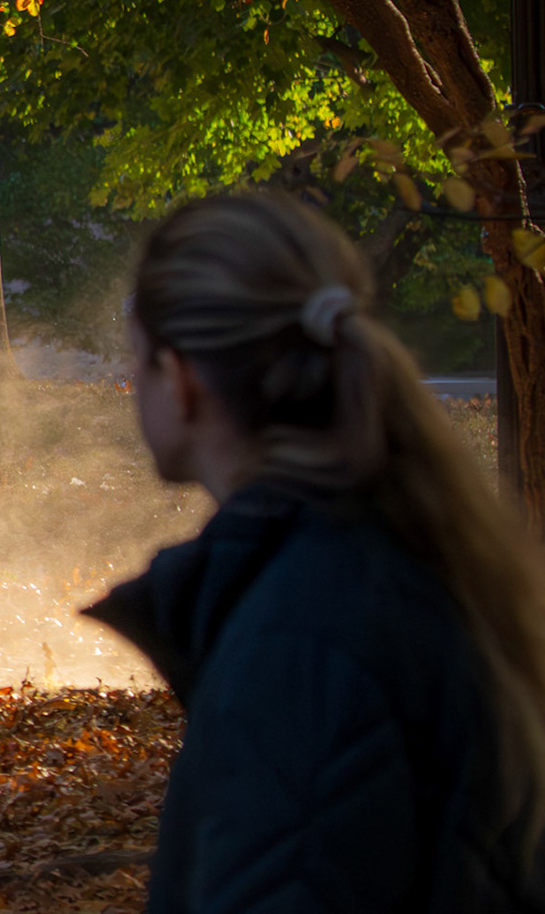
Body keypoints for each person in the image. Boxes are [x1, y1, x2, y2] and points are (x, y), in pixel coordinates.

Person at [84, 195, 545, 912]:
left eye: (136, 362)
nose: (133, 385)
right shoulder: (400, 556)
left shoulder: (300, 649)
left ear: (181, 378)